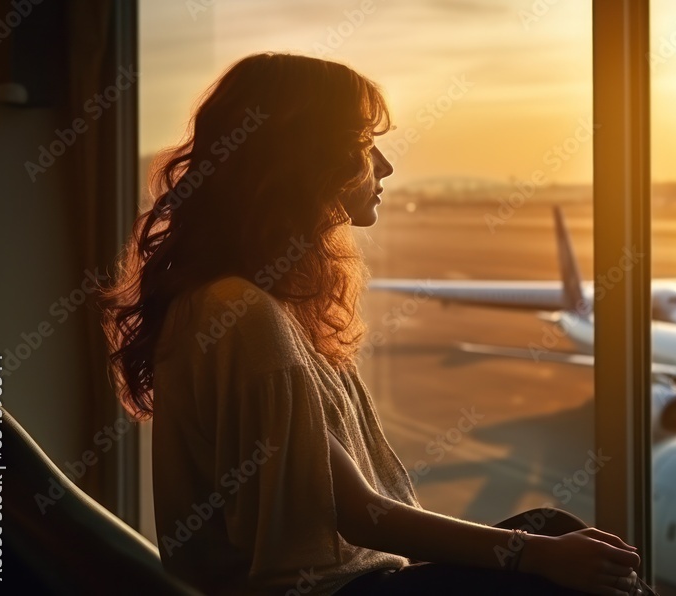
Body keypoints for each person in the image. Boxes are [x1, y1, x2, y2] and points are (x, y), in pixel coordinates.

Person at [100, 52, 647, 596]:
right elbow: (360, 514)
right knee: (559, 555)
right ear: (305, 159)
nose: (384, 165)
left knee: (552, 534)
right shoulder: (241, 314)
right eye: (364, 144)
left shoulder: (245, 303)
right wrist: (539, 558)